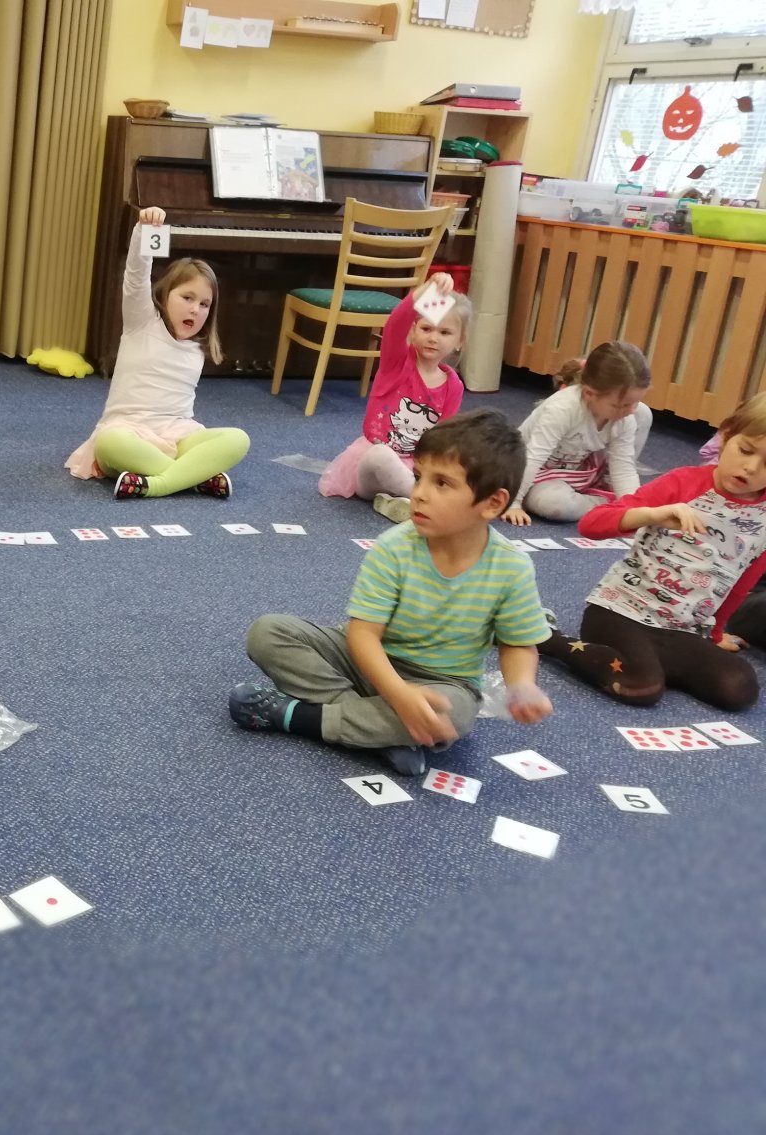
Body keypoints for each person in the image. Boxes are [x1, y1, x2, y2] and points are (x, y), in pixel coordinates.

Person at [232, 411, 553, 775]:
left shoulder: (512, 568)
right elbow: (362, 636)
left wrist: (522, 685)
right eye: (418, 477)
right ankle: (378, 731)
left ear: (492, 503)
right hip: (366, 661)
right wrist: (399, 697)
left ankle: (302, 718)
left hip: (443, 683)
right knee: (267, 632)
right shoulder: (393, 547)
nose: (419, 494)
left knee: (456, 715)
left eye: (442, 483)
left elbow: (516, 643)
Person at [538, 391, 766, 711]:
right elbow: (591, 524)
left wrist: (715, 634)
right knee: (641, 687)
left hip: (680, 629)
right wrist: (652, 515)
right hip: (620, 611)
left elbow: (741, 583)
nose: (751, 468)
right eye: (745, 450)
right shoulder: (682, 482)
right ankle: (548, 638)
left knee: (739, 688)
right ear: (726, 435)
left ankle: (648, 663)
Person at [66, 207, 249, 498]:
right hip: (129, 432)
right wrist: (143, 229)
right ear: (165, 294)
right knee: (110, 443)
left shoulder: (197, 349)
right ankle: (191, 477)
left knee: (238, 439)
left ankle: (157, 484)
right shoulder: (142, 321)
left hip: (177, 435)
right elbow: (136, 276)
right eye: (187, 297)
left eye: (204, 304)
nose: (195, 309)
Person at [318, 273, 470, 524]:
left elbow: (443, 438)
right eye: (426, 328)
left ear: (459, 341)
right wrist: (423, 292)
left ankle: (401, 501)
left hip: (414, 468)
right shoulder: (397, 363)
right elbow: (395, 325)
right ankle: (428, 502)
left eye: (445, 332)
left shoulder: (453, 385)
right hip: (370, 465)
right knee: (381, 455)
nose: (433, 338)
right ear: (414, 330)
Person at [503, 343, 653, 526]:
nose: (630, 411)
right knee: (555, 504)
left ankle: (612, 496)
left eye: (634, 403)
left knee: (643, 413)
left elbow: (623, 466)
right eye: (620, 405)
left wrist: (635, 512)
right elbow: (532, 458)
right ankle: (606, 504)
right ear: (589, 393)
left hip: (580, 470)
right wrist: (514, 502)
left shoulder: (624, 416)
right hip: (532, 473)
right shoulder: (562, 409)